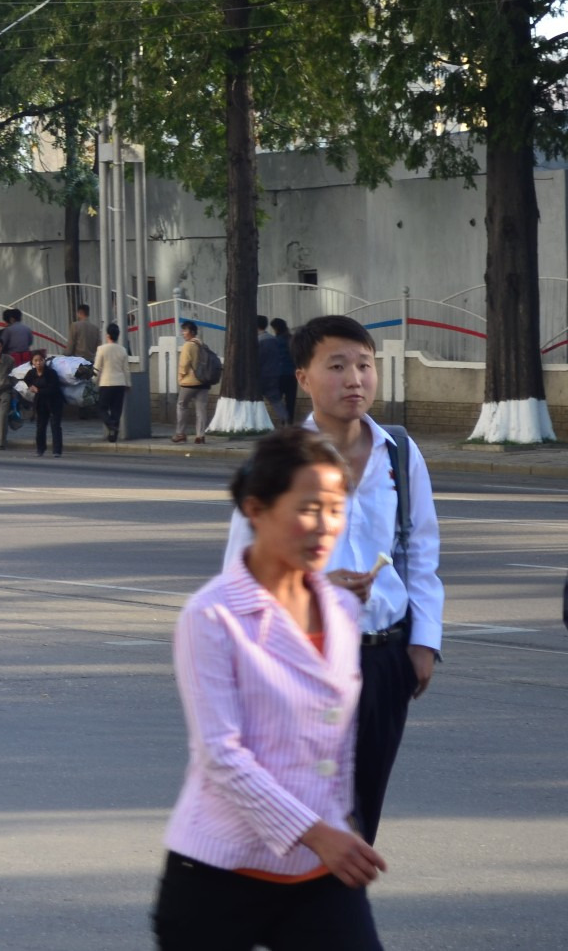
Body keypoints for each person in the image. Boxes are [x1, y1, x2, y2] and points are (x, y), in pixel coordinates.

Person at [154, 427, 384, 951]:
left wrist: (339, 821)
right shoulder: (212, 615)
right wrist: (317, 831)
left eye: (336, 508)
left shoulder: (343, 608)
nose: (325, 526)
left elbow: (335, 736)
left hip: (320, 877)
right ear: (257, 510)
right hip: (219, 878)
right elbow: (221, 754)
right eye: (308, 508)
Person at [224, 315, 441, 845]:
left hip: (383, 661)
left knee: (363, 813)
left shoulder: (400, 451)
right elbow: (242, 569)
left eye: (365, 366)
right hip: (304, 658)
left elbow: (420, 552)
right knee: (306, 816)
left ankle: (337, 913)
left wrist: (423, 644)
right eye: (337, 366)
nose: (355, 379)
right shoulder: (279, 461)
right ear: (303, 378)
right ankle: (322, 916)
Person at [93, 325, 131, 442]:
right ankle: (113, 436)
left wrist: (93, 381)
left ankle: (111, 424)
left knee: (101, 408)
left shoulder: (102, 349)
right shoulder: (123, 350)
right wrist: (128, 384)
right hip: (120, 383)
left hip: (106, 383)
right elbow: (126, 369)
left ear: (107, 335)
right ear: (118, 336)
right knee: (116, 410)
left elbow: (97, 368)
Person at [174, 321, 209, 444]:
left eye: (185, 331)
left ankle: (180, 433)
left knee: (182, 405)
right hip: (204, 382)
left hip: (190, 382)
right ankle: (200, 435)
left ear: (192, 332)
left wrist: (181, 376)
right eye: (183, 330)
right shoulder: (202, 344)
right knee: (201, 409)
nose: (183, 333)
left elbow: (184, 364)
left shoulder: (188, 345)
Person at [24, 349, 64, 457]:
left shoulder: (51, 373)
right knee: (40, 426)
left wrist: (38, 391)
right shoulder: (31, 373)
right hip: (40, 403)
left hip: (54, 402)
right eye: (35, 360)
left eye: (40, 360)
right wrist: (31, 387)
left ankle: (57, 451)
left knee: (55, 425)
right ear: (32, 362)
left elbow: (53, 389)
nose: (38, 363)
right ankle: (40, 449)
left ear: (44, 361)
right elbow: (26, 379)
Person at [260, 318, 297, 425]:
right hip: (292, 374)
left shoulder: (275, 341)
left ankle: (282, 421)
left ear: (275, 328)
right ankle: (290, 422)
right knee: (291, 400)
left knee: (277, 399)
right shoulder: (292, 339)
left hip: (278, 374)